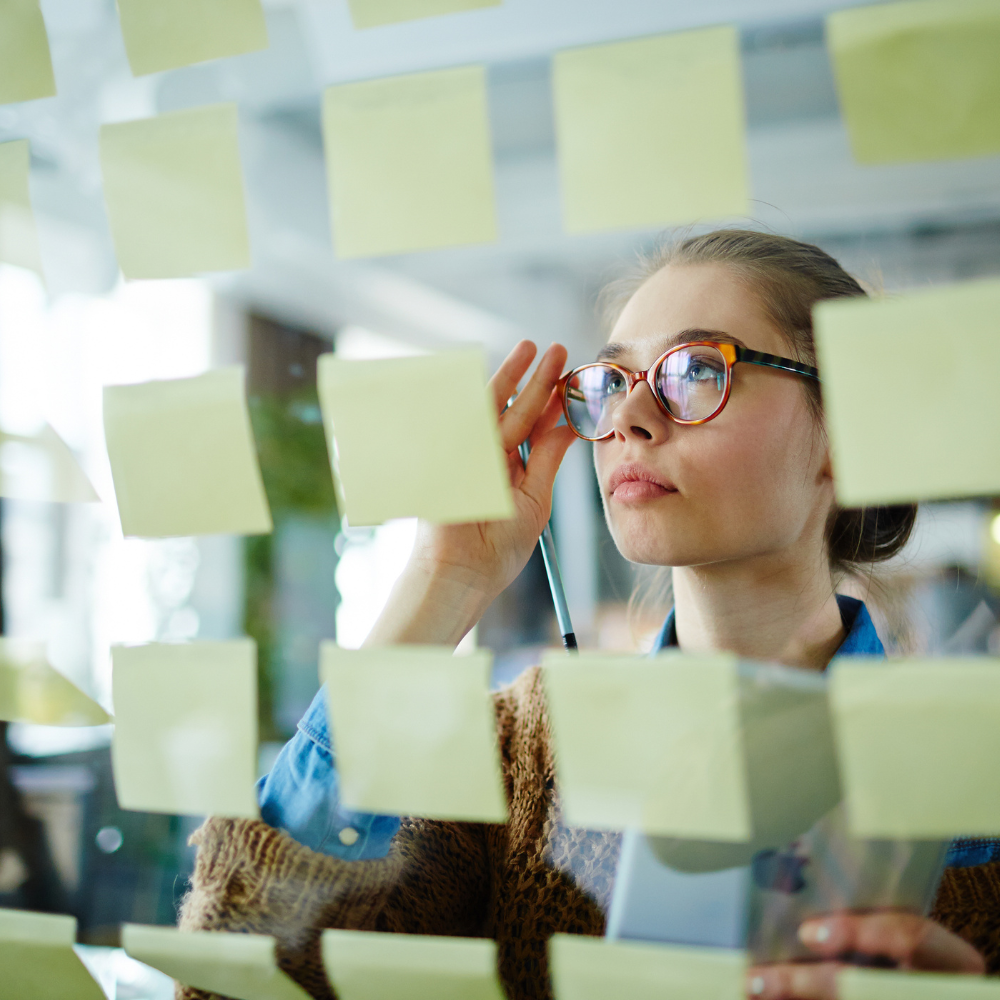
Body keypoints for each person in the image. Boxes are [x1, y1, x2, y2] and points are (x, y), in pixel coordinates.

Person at [178, 231, 1000, 1000]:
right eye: (611, 383)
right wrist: (442, 581)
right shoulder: (516, 760)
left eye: (694, 370)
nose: (627, 420)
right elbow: (234, 980)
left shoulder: (971, 780)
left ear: (842, 435)